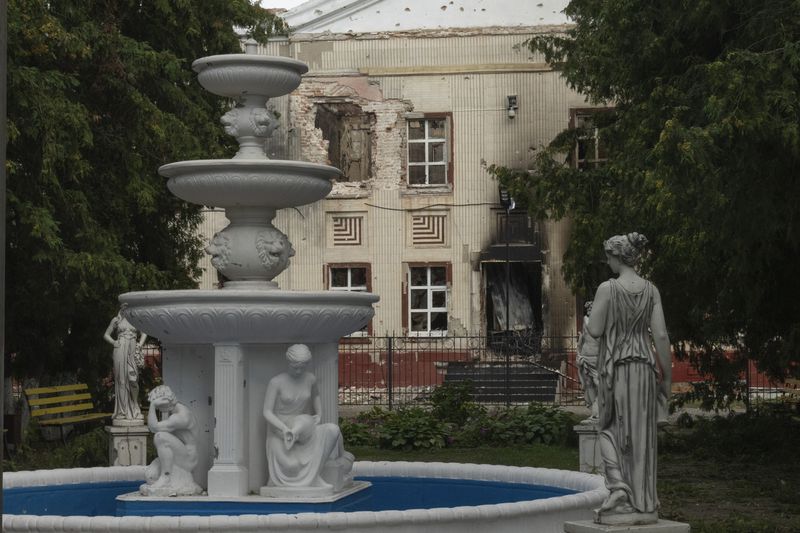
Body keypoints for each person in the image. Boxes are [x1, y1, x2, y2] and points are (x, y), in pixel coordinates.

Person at [585, 233, 671, 525]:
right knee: (643, 436)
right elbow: (660, 336)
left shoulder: (607, 289)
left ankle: (619, 488)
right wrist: (666, 380)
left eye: (608, 256)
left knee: (608, 428)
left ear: (618, 257)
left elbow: (595, 330)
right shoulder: (651, 290)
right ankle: (644, 503)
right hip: (645, 368)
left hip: (617, 368)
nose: (606, 261)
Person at [262, 344, 353, 492]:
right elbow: (267, 412)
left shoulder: (310, 379)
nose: (298, 371)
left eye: (302, 367)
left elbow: (316, 395)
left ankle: (315, 476)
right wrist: (284, 428)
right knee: (291, 466)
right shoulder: (276, 382)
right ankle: (297, 477)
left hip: (304, 428)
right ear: (288, 363)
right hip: (280, 432)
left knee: (332, 430)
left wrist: (319, 414)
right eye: (295, 367)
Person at [140, 385, 202, 496]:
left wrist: (153, 405)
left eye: (159, 404)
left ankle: (166, 477)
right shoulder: (175, 413)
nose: (159, 409)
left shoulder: (181, 417)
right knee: (151, 475)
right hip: (180, 454)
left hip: (188, 459)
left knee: (160, 437)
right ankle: (165, 477)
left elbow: (154, 428)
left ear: (165, 401)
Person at [103, 306, 147, 422]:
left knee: (133, 378)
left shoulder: (136, 319)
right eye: (124, 307)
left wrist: (140, 345)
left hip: (132, 350)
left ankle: (135, 405)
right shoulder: (116, 320)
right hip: (119, 349)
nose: (126, 308)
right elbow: (106, 335)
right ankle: (123, 411)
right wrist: (114, 342)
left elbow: (144, 333)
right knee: (121, 380)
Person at [577, 300, 600, 420]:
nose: (589, 310)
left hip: (596, 357)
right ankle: (594, 409)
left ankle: (600, 407)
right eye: (588, 309)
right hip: (586, 356)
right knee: (588, 383)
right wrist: (579, 354)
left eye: (591, 308)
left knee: (597, 382)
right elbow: (582, 339)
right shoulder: (586, 320)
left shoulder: (599, 322)